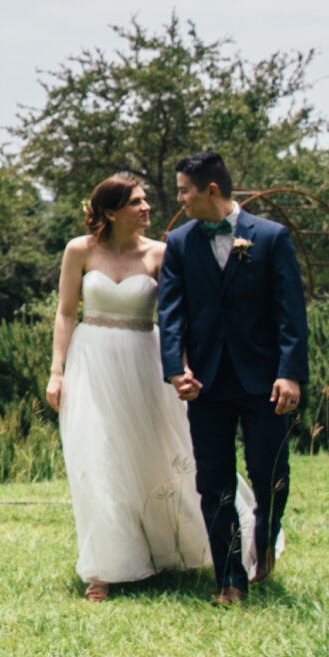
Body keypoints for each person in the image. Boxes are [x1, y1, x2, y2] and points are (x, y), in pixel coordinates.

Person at [47, 173, 234, 600]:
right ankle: (104, 568)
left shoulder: (162, 254)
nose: (147, 207)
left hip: (142, 360)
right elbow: (65, 314)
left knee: (159, 453)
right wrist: (57, 372)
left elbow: (176, 319)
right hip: (91, 360)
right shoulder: (79, 251)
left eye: (146, 200)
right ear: (111, 212)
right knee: (99, 456)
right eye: (136, 202)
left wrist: (183, 367)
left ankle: (179, 544)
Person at [155, 150, 308, 606]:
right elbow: (171, 312)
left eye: (184, 190)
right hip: (207, 384)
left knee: (270, 476)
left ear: (211, 191)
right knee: (213, 481)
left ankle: (265, 542)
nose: (179, 199)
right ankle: (230, 579)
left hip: (264, 383)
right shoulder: (180, 243)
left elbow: (290, 314)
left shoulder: (271, 237)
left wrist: (290, 375)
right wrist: (175, 369)